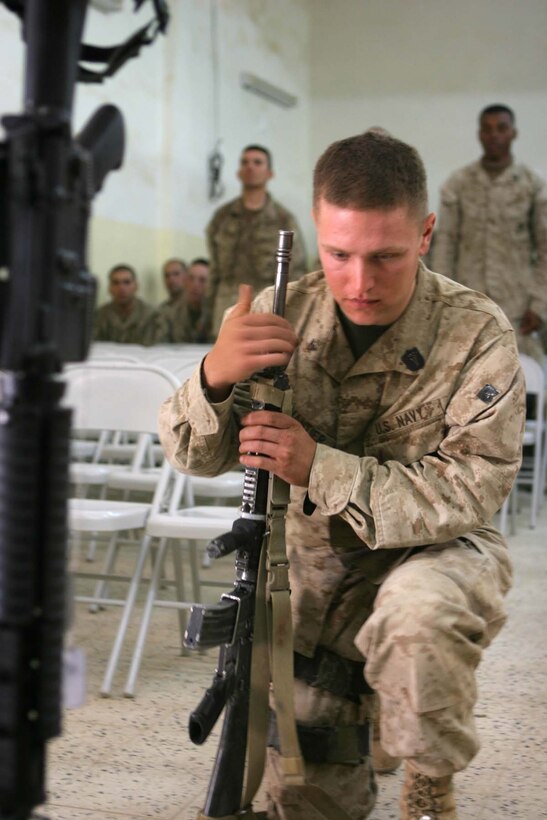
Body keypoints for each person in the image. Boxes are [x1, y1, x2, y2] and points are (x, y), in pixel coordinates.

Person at [159, 132, 525, 819]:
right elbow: (191, 455)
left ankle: (425, 783)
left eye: (385, 256)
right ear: (317, 234)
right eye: (338, 255)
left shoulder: (477, 333)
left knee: (419, 619)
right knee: (307, 800)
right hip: (313, 573)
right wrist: (211, 377)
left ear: (424, 233)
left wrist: (317, 467)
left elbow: (472, 489)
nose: (359, 282)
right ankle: (370, 719)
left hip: (434, 551)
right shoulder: (278, 312)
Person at [431, 104, 547, 363]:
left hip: (517, 308)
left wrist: (540, 305)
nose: (494, 135)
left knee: (525, 381)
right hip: (467, 302)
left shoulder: (531, 185)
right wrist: (444, 300)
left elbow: (545, 248)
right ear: (479, 134)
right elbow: (445, 243)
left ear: (513, 133)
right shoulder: (458, 184)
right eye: (487, 129)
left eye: (501, 128)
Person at [206, 144, 308, 335]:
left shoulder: (283, 219)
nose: (250, 167)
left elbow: (296, 272)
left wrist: (292, 317)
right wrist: (206, 313)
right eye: (245, 162)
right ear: (238, 173)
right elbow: (214, 272)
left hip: (267, 308)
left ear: (270, 173)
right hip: (225, 310)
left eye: (257, 162)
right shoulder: (223, 217)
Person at [93, 263, 168, 345]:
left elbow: (156, 350)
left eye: (127, 282)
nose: (121, 288)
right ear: (109, 288)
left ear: (136, 286)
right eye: (116, 283)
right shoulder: (99, 316)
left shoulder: (152, 316)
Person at [165, 257, 212, 343]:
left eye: (202, 280)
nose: (195, 285)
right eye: (191, 279)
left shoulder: (218, 315)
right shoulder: (171, 314)